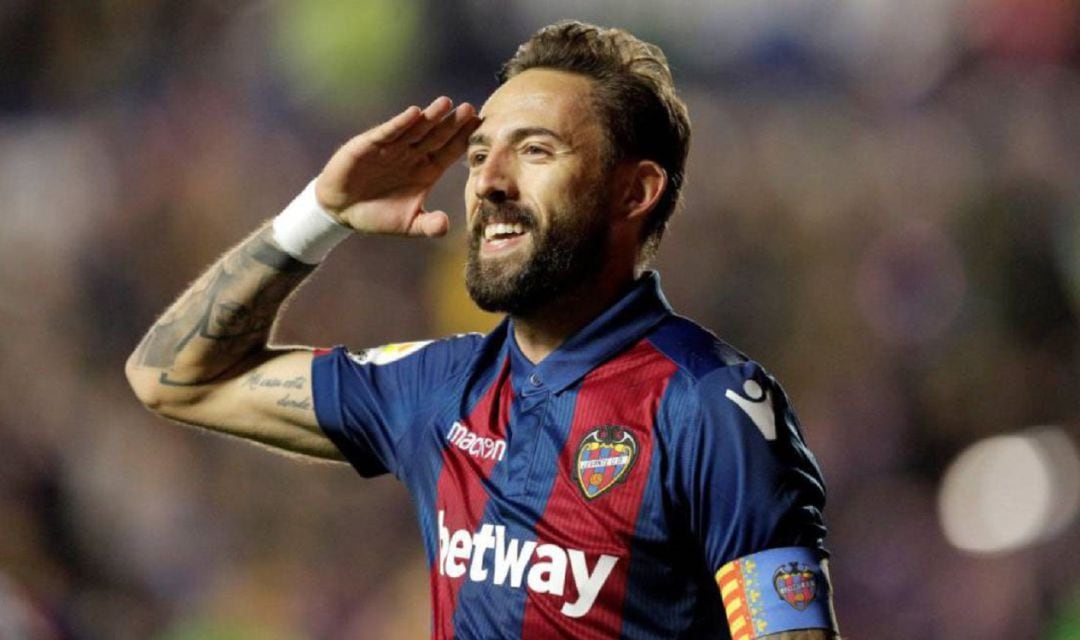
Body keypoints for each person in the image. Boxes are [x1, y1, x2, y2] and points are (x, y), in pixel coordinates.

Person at [126, 20, 839, 640]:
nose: (488, 181)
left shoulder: (712, 406)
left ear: (635, 190)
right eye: (477, 156)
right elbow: (172, 377)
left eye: (535, 152)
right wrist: (320, 214)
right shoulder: (436, 388)